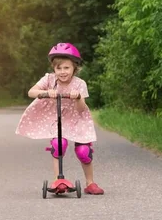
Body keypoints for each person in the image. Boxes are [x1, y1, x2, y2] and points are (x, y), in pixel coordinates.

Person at [15, 42, 104, 195]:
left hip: (77, 118)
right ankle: (58, 181)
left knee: (84, 151)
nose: (62, 72)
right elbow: (31, 92)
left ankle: (90, 183)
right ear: (54, 69)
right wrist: (47, 92)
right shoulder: (49, 79)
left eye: (66, 68)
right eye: (59, 68)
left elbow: (81, 109)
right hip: (57, 117)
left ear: (74, 67)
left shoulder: (80, 84)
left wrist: (78, 98)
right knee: (58, 145)